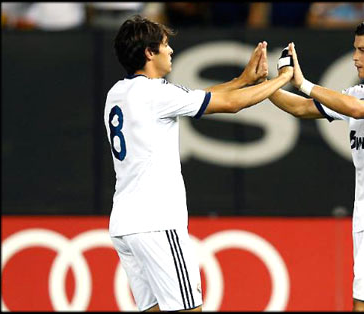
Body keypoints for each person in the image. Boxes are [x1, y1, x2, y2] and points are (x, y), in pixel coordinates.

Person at [104, 15, 292, 312]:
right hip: (157, 221)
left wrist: (243, 80)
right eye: (164, 45)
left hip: (125, 224)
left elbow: (199, 97)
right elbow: (231, 105)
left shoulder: (117, 93)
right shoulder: (156, 93)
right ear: (149, 53)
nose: (170, 51)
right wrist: (282, 80)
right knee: (189, 308)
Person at [266, 18, 364, 311]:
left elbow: (357, 110)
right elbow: (301, 108)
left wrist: (303, 83)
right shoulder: (359, 93)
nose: (355, 57)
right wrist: (265, 84)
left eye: (363, 50)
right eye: (355, 49)